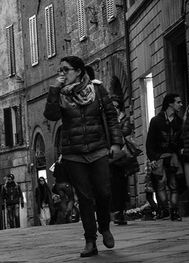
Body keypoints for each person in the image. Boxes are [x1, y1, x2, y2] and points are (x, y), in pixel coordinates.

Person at [44, 56, 123, 257]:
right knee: (85, 198)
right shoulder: (61, 94)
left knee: (104, 192)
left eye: (66, 70)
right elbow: (51, 115)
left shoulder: (97, 90)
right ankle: (90, 241)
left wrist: (115, 143)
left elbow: (112, 117)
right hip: (73, 153)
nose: (62, 74)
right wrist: (54, 88)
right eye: (60, 70)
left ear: (78, 71)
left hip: (98, 149)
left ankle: (104, 227)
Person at [146, 93, 183, 221]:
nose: (181, 104)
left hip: (173, 158)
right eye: (178, 102)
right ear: (170, 104)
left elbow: (180, 142)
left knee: (173, 185)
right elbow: (149, 143)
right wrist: (152, 159)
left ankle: (174, 211)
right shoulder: (156, 121)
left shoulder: (179, 122)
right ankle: (164, 209)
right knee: (160, 185)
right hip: (160, 157)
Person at [110, 95, 132, 225]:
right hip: (111, 157)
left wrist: (116, 126)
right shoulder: (107, 120)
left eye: (116, 106)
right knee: (113, 185)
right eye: (112, 106)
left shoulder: (124, 119)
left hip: (122, 156)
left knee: (122, 184)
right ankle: (117, 211)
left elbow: (127, 131)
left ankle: (121, 211)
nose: (115, 109)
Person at [51, 154, 75, 224]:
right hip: (66, 184)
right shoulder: (66, 164)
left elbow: (54, 174)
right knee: (71, 199)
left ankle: (66, 216)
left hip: (58, 185)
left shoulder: (57, 164)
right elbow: (70, 174)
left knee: (63, 200)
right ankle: (68, 211)